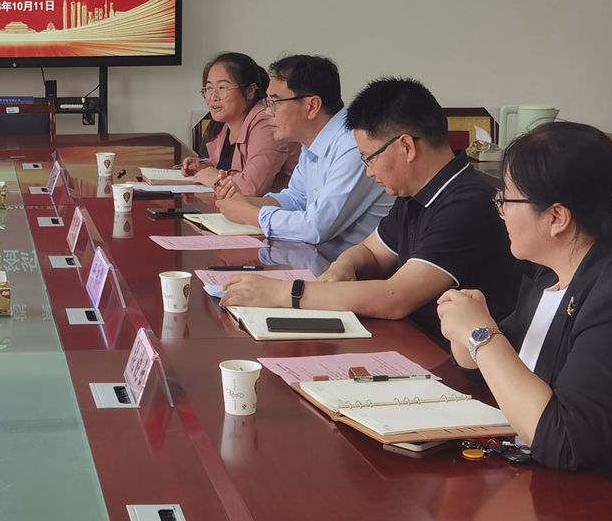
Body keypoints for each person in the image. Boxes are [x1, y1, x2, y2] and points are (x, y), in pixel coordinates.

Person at [435, 121, 612, 521]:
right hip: (551, 496)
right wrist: (468, 332)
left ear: (556, 217)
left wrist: (482, 335)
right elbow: (499, 374)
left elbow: (565, 440)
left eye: (507, 199)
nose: (501, 210)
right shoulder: (552, 275)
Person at [222, 77, 526, 338]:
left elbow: (396, 297)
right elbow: (370, 251)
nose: (368, 171)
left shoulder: (466, 204)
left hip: (458, 363)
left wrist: (280, 293)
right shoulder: (414, 195)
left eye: (369, 158)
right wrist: (345, 266)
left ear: (406, 147)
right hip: (415, 340)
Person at [211, 55, 392, 250]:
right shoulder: (313, 141)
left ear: (312, 106)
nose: (267, 112)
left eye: (275, 102)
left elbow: (316, 227)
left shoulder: (353, 144)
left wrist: (248, 213)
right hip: (315, 257)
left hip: (352, 265)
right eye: (267, 102)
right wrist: (243, 202)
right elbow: (295, 199)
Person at [181, 52, 298, 194]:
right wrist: (203, 167)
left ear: (250, 91)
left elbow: (251, 189)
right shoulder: (228, 123)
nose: (213, 97)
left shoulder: (266, 123)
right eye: (209, 88)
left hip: (270, 207)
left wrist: (215, 179)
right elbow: (226, 167)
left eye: (222, 87)